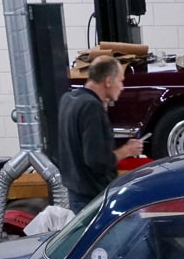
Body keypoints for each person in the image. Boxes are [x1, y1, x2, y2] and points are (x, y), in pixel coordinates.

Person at [57, 55, 144, 207]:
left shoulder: (68, 99)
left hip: (75, 190)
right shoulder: (91, 107)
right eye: (120, 81)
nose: (122, 87)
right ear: (108, 81)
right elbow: (97, 160)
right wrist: (127, 150)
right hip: (93, 198)